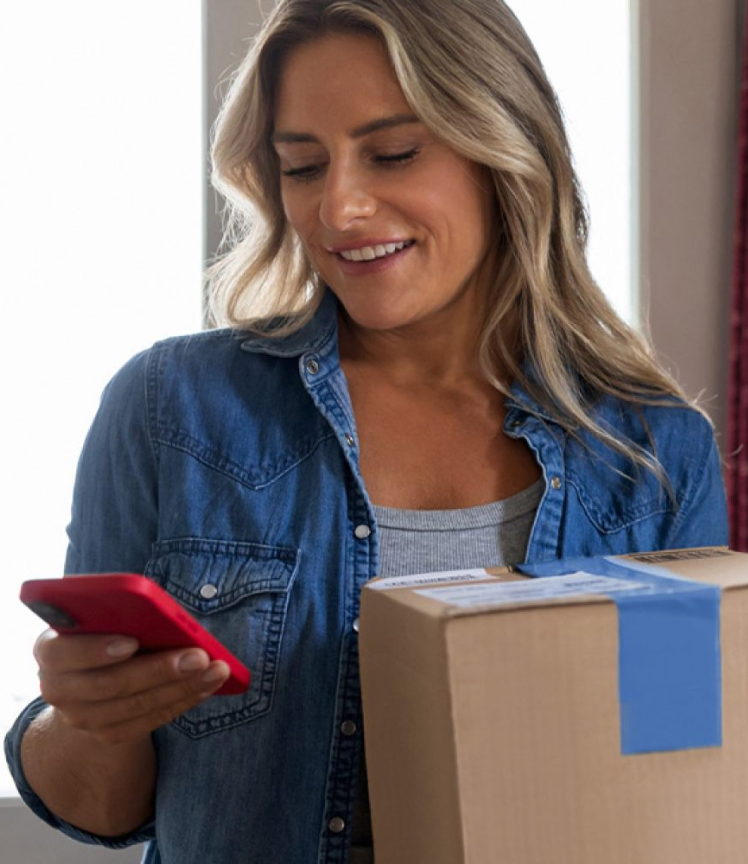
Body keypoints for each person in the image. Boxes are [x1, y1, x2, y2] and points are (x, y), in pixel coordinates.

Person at [5, 1, 728, 862]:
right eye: (303, 166)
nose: (339, 208)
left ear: (506, 149)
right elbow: (98, 808)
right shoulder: (172, 409)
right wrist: (89, 719)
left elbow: (676, 779)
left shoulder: (654, 457)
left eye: (394, 154)